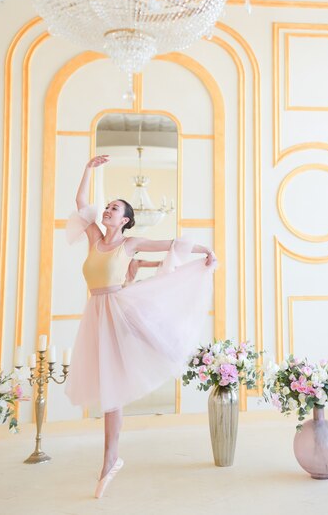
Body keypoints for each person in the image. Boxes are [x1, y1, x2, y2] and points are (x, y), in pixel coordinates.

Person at [65, 155, 217, 499]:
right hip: (97, 313)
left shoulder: (129, 244)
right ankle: (110, 460)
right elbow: (80, 203)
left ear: (127, 220)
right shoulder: (94, 239)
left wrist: (205, 249)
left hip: (121, 306)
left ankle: (184, 353)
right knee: (110, 388)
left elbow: (171, 244)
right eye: (107, 206)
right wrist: (88, 168)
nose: (107, 210)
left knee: (157, 346)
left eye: (115, 208)